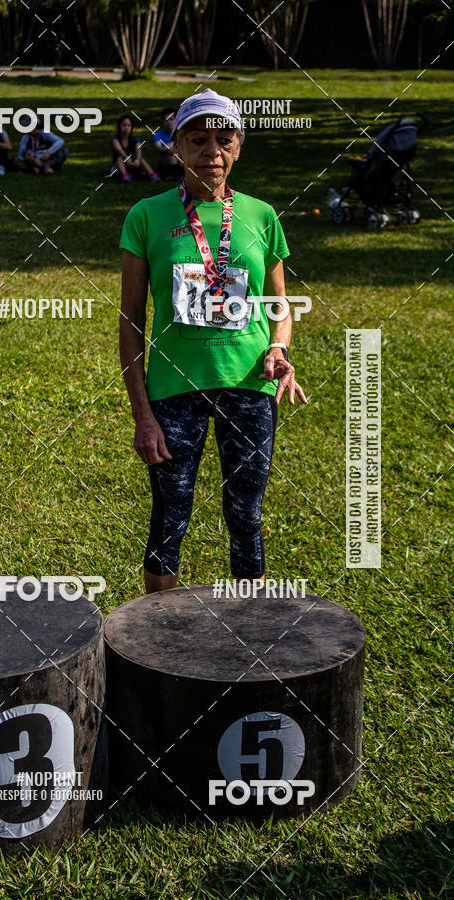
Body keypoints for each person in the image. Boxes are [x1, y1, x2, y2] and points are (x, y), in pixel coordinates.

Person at [119, 88, 307, 594]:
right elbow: (131, 319)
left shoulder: (262, 215)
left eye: (224, 140)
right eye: (198, 140)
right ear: (176, 146)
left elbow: (279, 305)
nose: (212, 152)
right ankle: (157, 641)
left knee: (246, 514)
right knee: (171, 513)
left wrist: (279, 348)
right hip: (173, 391)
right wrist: (142, 414)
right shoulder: (146, 215)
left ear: (239, 146)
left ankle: (252, 635)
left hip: (250, 384)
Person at [111, 115, 159, 183]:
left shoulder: (134, 139)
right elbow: (119, 150)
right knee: (119, 159)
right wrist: (127, 158)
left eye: (129, 125)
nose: (126, 127)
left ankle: (152, 175)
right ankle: (125, 176)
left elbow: (138, 149)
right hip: (118, 167)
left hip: (131, 164)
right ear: (119, 126)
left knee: (141, 159)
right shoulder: (115, 138)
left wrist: (137, 160)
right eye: (124, 125)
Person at [152, 108, 183, 181]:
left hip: (180, 160)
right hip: (165, 161)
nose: (169, 122)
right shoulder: (158, 134)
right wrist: (174, 143)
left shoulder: (181, 133)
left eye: (171, 119)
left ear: (176, 120)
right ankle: (175, 174)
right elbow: (159, 148)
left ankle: (173, 174)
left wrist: (173, 149)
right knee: (169, 154)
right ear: (163, 121)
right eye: (166, 120)